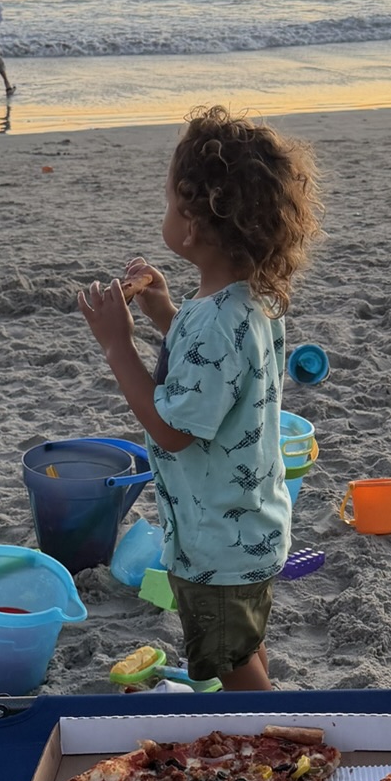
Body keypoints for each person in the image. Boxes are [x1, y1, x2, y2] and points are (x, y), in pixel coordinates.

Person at [78, 106, 323, 691]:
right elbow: (214, 373)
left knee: (229, 667)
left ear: (193, 225)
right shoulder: (245, 300)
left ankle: (275, 745)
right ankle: (268, 719)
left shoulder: (214, 321)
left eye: (169, 204)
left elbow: (172, 430)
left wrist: (118, 347)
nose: (164, 214)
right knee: (244, 645)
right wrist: (163, 311)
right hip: (252, 527)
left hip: (215, 545)